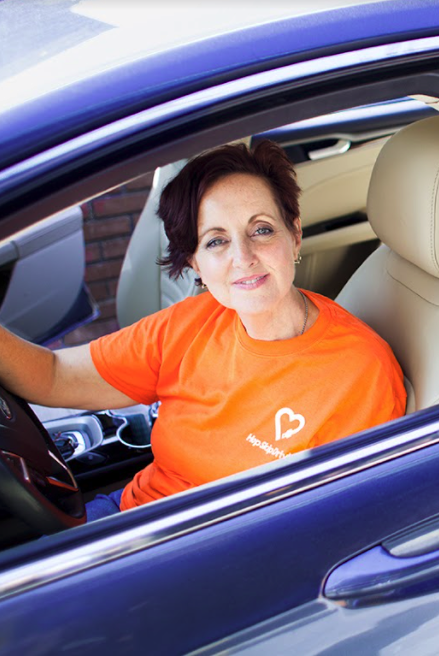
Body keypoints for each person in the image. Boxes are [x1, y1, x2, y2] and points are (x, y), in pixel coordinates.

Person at [0, 141, 406, 521]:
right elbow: (54, 374)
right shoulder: (190, 323)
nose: (243, 257)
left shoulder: (360, 372)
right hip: (129, 517)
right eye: (216, 242)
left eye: (262, 229)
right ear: (195, 263)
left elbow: (338, 522)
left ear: (294, 234)